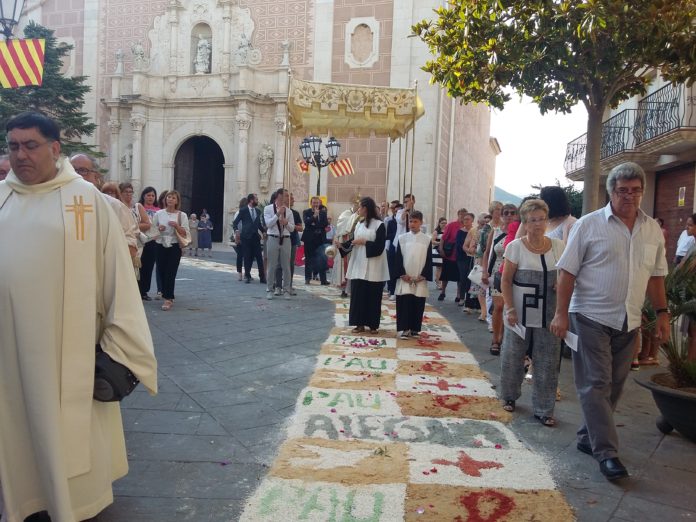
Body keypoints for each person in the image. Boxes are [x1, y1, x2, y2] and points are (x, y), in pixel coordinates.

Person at [0, 111, 157, 521]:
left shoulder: (85, 202)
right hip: (9, 350)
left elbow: (117, 282)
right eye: (13, 146)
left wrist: (121, 347)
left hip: (67, 351)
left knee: (68, 440)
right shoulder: (2, 197)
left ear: (55, 148)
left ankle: (74, 505)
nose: (20, 155)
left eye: (30, 145)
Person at [550, 162, 669, 481]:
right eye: (622, 190)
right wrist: (561, 313)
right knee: (596, 384)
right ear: (610, 192)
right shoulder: (588, 225)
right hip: (589, 316)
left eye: (635, 190)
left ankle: (588, 438)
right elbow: (566, 272)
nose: (629, 196)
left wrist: (661, 314)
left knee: (615, 386)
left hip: (628, 321)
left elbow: (657, 276)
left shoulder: (652, 229)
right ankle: (607, 453)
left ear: (642, 192)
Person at [499, 199, 565, 426]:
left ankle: (544, 408)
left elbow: (566, 276)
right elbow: (506, 281)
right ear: (525, 223)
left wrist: (561, 285)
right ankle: (509, 396)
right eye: (532, 220)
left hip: (549, 311)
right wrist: (509, 308)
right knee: (513, 355)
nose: (538, 224)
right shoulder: (515, 247)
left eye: (542, 219)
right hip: (520, 308)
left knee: (548, 358)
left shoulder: (558, 246)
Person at [70, 153, 138, 263]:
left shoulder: (114, 206)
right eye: (72, 170)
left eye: (83, 170)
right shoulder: (57, 204)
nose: (77, 175)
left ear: (96, 176)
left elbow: (130, 245)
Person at [346, 197, 390, 333]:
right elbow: (354, 241)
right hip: (358, 263)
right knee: (358, 294)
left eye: (360, 207)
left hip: (373, 265)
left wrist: (365, 242)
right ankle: (359, 324)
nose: (358, 209)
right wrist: (342, 246)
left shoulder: (379, 225)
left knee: (373, 295)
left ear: (366, 208)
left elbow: (379, 246)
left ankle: (372, 325)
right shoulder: (359, 224)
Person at [482, 203, 518, 355]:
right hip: (497, 272)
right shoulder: (495, 232)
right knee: (498, 306)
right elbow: (487, 252)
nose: (509, 215)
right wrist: (485, 272)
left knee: (508, 307)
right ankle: (496, 339)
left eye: (512, 213)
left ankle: (504, 337)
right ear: (501, 215)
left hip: (513, 273)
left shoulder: (519, 232)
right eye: (506, 213)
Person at [395, 210, 433, 338]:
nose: (412, 224)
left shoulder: (427, 239)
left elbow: (428, 258)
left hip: (419, 276)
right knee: (404, 302)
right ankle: (404, 328)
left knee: (418, 302)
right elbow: (398, 258)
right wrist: (402, 273)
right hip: (405, 276)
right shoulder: (402, 238)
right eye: (410, 221)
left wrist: (424, 274)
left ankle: (415, 328)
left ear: (421, 223)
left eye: (415, 221)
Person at [152, 190, 191, 311]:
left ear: (177, 201)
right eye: (169, 197)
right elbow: (152, 230)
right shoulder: (158, 214)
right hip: (160, 244)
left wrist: (177, 226)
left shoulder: (182, 215)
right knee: (161, 271)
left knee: (171, 272)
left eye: (173, 198)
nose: (170, 199)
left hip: (174, 246)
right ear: (165, 199)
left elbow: (185, 232)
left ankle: (168, 298)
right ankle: (166, 293)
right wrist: (159, 228)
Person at [264, 188, 295, 299]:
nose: (288, 198)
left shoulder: (289, 211)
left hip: (286, 239)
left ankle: (286, 289)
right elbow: (268, 224)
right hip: (273, 238)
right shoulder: (268, 209)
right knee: (272, 265)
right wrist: (277, 214)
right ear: (279, 196)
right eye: (286, 195)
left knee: (286, 266)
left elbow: (292, 229)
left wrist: (286, 223)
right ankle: (269, 289)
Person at [232, 193, 265, 284]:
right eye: (256, 199)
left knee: (259, 257)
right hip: (245, 237)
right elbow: (235, 223)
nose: (257, 201)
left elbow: (258, 224)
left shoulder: (258, 211)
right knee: (247, 257)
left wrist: (263, 231)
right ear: (251, 200)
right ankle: (247, 275)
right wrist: (237, 231)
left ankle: (262, 277)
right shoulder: (243, 211)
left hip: (255, 237)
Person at [438, 208, 467, 301]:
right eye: (461, 214)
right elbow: (443, 237)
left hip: (460, 255)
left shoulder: (467, 227)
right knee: (445, 275)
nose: (463, 216)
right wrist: (441, 248)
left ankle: (458, 294)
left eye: (465, 215)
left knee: (459, 276)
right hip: (449, 254)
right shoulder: (451, 225)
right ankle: (443, 292)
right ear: (458, 214)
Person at [138, 186, 160, 300]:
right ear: (143, 196)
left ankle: (144, 291)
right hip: (139, 240)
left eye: (153, 195)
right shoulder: (137, 208)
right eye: (148, 195)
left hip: (153, 241)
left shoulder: (158, 210)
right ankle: (136, 290)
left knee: (148, 267)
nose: (151, 197)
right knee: (138, 266)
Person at [303, 196, 329, 285]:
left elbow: (325, 223)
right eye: (314, 203)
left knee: (323, 259)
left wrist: (314, 223)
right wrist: (314, 216)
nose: (315, 204)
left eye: (317, 203)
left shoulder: (323, 213)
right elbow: (306, 223)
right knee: (308, 259)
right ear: (311, 203)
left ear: (319, 204)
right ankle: (307, 278)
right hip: (309, 240)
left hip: (320, 239)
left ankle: (323, 280)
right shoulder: (306, 212)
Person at [232, 197, 247, 280]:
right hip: (240, 236)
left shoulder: (239, 212)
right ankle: (240, 273)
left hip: (245, 236)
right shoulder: (239, 213)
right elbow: (236, 225)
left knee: (244, 256)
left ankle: (244, 273)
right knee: (240, 256)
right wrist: (237, 236)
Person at [432, 217, 447, 289]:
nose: (444, 224)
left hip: (445, 251)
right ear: (439, 223)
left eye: (445, 223)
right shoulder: (436, 231)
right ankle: (438, 283)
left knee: (443, 267)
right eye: (442, 223)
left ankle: (438, 280)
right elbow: (432, 241)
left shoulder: (447, 231)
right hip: (437, 250)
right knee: (439, 267)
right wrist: (440, 243)